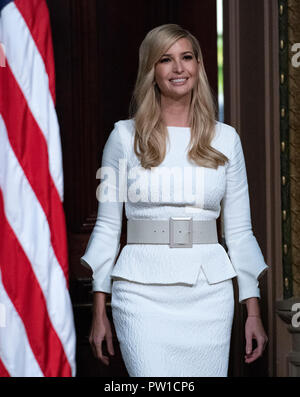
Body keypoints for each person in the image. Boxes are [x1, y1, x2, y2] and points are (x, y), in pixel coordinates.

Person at [80, 24, 269, 377]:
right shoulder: (123, 137)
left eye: (187, 57)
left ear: (199, 65)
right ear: (151, 70)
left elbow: (241, 232)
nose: (178, 68)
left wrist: (252, 313)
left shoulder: (226, 139)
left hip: (209, 295)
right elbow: (107, 228)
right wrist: (99, 311)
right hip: (140, 293)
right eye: (165, 59)